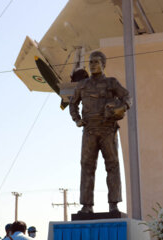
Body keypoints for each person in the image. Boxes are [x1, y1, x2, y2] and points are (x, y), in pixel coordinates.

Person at [69, 51, 131, 214]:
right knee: (86, 166)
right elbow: (73, 103)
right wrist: (77, 119)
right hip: (89, 130)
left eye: (96, 62)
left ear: (103, 64)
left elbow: (127, 97)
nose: (92, 65)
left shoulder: (111, 83)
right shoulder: (82, 85)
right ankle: (86, 205)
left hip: (107, 129)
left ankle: (114, 204)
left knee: (112, 165)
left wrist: (121, 108)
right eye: (90, 62)